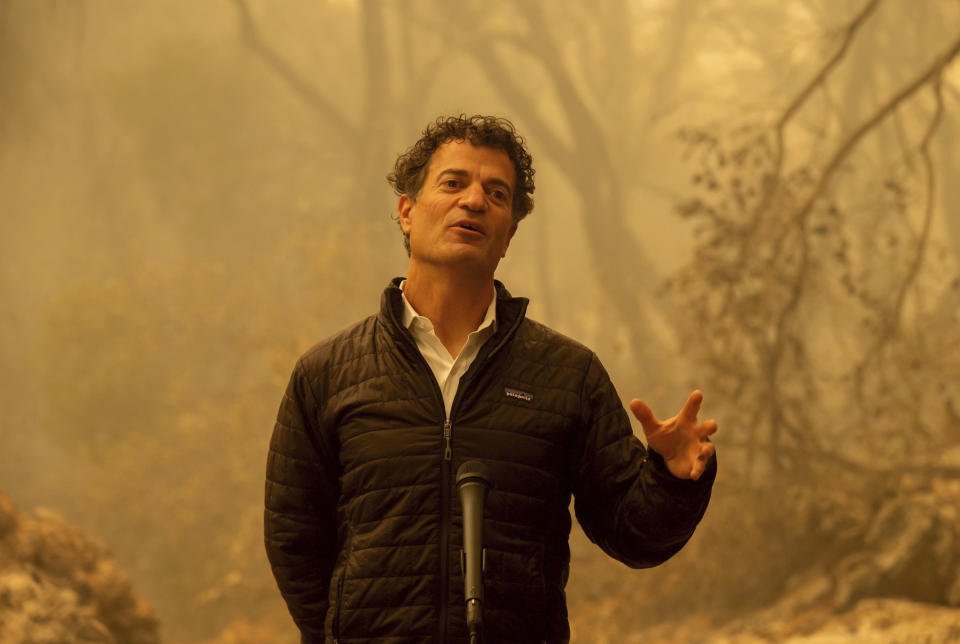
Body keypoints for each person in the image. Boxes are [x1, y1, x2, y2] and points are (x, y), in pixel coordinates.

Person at [265, 114, 717, 643]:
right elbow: (294, 538)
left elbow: (633, 533)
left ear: (509, 235)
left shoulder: (566, 375)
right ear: (407, 213)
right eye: (453, 183)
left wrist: (673, 478)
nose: (475, 201)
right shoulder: (328, 374)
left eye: (496, 194)